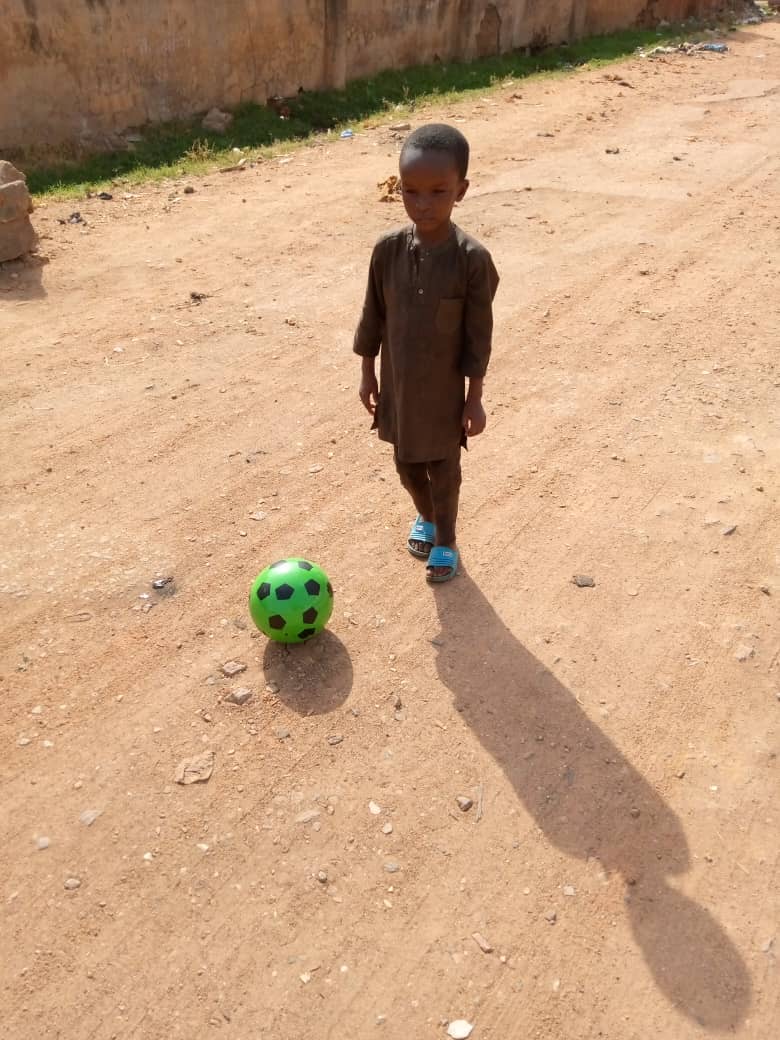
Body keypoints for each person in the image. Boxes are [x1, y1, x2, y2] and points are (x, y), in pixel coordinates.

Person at [354, 123, 499, 582]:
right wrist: (367, 372)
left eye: (439, 192)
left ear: (461, 191)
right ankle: (428, 515)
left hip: (443, 396)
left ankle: (446, 541)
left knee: (444, 469)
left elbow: (478, 336)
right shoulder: (387, 252)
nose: (423, 204)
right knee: (406, 466)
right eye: (411, 191)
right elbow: (372, 315)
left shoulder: (472, 260)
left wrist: (475, 398)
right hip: (398, 389)